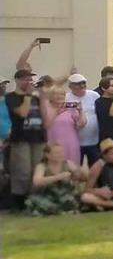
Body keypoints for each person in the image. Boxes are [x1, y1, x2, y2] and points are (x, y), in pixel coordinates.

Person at [6, 70, 48, 207]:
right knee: (22, 170)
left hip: (38, 137)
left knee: (37, 169)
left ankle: (35, 200)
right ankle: (20, 202)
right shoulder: (11, 97)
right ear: (17, 80)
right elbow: (23, 113)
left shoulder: (36, 97)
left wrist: (43, 96)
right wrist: (29, 95)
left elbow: (46, 118)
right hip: (20, 138)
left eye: (30, 79)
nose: (29, 82)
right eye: (26, 79)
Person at [26, 142, 86, 216]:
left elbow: (83, 178)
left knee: (69, 200)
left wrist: (80, 173)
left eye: (61, 152)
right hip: (47, 196)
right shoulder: (42, 166)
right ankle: (61, 212)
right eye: (57, 153)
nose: (60, 155)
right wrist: (58, 177)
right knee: (39, 203)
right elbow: (36, 181)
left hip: (64, 195)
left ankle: (60, 212)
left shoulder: (68, 163)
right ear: (47, 155)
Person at [65, 73, 101, 167]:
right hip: (75, 141)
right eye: (78, 84)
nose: (82, 86)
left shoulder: (94, 95)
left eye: (83, 83)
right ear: (70, 86)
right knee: (76, 168)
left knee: (95, 167)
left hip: (94, 140)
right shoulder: (66, 98)